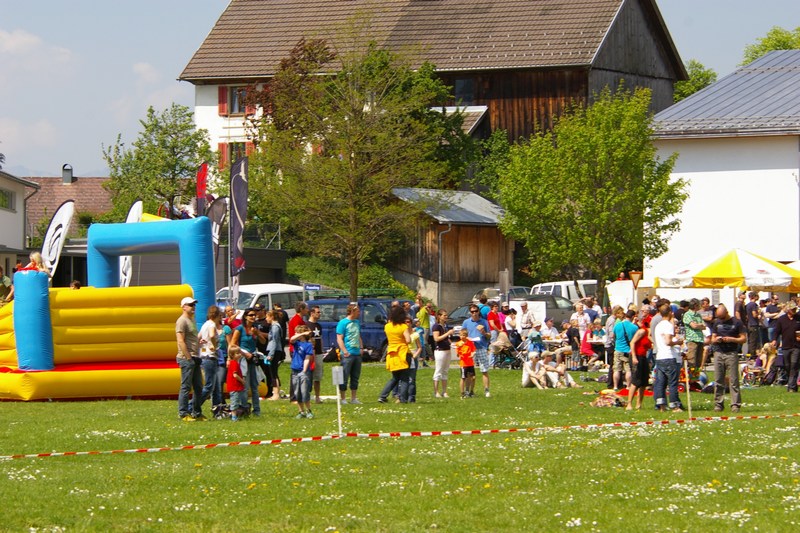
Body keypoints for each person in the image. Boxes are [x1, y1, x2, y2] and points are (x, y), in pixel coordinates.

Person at [710, 304, 746, 412]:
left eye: (722, 317)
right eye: (719, 317)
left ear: (726, 313)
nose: (721, 319)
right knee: (718, 380)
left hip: (731, 353)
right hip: (718, 352)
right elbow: (712, 338)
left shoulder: (737, 322)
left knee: (734, 380)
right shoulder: (717, 322)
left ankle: (735, 405)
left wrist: (731, 339)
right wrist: (717, 339)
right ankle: (718, 404)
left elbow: (743, 338)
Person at [230, 308, 265, 417]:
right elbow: (232, 344)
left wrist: (257, 333)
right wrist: (244, 353)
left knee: (254, 386)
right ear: (245, 316)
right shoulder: (240, 329)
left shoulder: (254, 328)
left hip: (253, 358)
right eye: (251, 315)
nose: (253, 317)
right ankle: (244, 408)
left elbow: (263, 341)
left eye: (254, 315)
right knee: (244, 385)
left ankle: (257, 410)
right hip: (243, 359)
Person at [176, 296, 205, 421]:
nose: (193, 307)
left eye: (194, 305)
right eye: (190, 305)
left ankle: (196, 412)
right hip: (186, 358)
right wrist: (188, 358)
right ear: (183, 307)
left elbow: (191, 338)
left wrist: (199, 341)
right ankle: (183, 413)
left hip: (195, 357)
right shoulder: (181, 321)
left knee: (198, 387)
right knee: (186, 387)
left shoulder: (191, 320)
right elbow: (180, 341)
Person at [652, 306, 683, 412]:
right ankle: (674, 405)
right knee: (672, 383)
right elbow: (668, 341)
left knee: (661, 382)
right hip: (669, 356)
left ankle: (661, 405)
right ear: (670, 312)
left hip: (660, 357)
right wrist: (678, 342)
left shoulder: (658, 325)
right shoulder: (668, 325)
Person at [378, 305, 412, 403]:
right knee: (404, 378)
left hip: (392, 353)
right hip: (403, 353)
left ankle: (382, 396)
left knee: (395, 377)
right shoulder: (403, 327)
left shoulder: (387, 326)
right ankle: (403, 399)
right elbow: (408, 340)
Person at [462, 304, 492, 397]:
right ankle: (468, 391)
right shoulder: (466, 322)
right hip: (470, 349)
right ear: (470, 312)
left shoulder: (484, 322)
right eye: (472, 312)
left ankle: (486, 390)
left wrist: (484, 332)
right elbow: (462, 335)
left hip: (481, 347)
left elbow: (489, 336)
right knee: (469, 372)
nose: (474, 313)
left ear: (478, 312)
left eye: (476, 311)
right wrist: (468, 339)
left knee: (484, 370)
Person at [336, 303, 363, 404]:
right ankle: (343, 398)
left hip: (357, 353)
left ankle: (353, 398)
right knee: (344, 376)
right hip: (347, 353)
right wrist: (345, 351)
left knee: (355, 377)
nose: (359, 313)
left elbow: (358, 335)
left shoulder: (357, 322)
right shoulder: (343, 323)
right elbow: (339, 338)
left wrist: (361, 347)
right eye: (358, 311)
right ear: (352, 311)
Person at [771, 301, 800, 393]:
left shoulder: (798, 318)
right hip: (786, 346)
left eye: (795, 309)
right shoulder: (782, 319)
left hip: (797, 346)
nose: (794, 310)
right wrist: (774, 340)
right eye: (792, 309)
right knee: (787, 366)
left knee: (794, 365)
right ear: (788, 309)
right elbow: (776, 331)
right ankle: (793, 385)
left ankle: (791, 387)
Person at [198, 305, 222, 410]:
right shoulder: (212, 324)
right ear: (218, 315)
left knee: (216, 387)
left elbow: (198, 337)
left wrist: (201, 343)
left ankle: (217, 409)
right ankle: (192, 406)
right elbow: (212, 336)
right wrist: (214, 346)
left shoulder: (205, 324)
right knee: (209, 386)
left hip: (204, 356)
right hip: (210, 357)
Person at [289, 325, 315, 418]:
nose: (295, 334)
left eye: (297, 332)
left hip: (303, 371)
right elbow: (292, 339)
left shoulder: (308, 345)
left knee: (304, 392)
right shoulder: (296, 343)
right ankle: (301, 411)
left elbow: (307, 358)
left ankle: (309, 411)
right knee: (297, 392)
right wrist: (302, 333)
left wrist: (304, 370)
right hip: (294, 371)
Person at [627, 314, 651, 410]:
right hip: (637, 356)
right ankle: (629, 404)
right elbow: (632, 342)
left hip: (643, 356)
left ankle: (639, 404)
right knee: (636, 380)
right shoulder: (641, 331)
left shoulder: (648, 333)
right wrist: (634, 357)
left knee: (644, 381)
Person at [612, 309, 639, 390]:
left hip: (618, 349)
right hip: (628, 351)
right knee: (628, 370)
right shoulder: (634, 327)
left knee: (617, 369)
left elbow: (613, 336)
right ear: (633, 316)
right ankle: (628, 386)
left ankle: (615, 386)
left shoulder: (617, 325)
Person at [431, 309, 454, 398]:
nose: (446, 317)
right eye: (444, 315)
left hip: (447, 350)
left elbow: (446, 338)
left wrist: (452, 344)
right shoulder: (436, 326)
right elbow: (436, 338)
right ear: (439, 316)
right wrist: (448, 333)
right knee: (438, 370)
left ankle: (444, 391)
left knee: (445, 371)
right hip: (440, 351)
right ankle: (436, 391)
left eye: (446, 315)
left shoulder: (445, 326)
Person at [306, 305, 325, 403]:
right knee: (308, 375)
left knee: (317, 377)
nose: (319, 314)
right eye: (318, 312)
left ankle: (317, 397)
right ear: (312, 313)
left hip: (318, 354)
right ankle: (306, 396)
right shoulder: (306, 325)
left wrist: (322, 351)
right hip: (309, 354)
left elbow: (320, 339)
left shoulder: (319, 326)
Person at [265, 310, 285, 401]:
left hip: (274, 351)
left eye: (267, 317)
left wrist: (271, 354)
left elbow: (274, 341)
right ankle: (275, 392)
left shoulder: (275, 327)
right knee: (272, 372)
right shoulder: (273, 326)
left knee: (273, 372)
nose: (266, 319)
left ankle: (276, 394)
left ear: (272, 317)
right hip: (273, 350)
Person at [683, 298, 706, 371]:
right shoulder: (687, 314)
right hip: (692, 340)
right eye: (699, 304)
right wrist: (699, 325)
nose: (700, 306)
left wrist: (698, 325)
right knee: (692, 360)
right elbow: (694, 326)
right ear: (695, 305)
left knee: (698, 361)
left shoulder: (698, 315)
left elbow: (704, 326)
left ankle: (696, 376)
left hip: (700, 339)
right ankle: (692, 376)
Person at [226, 346, 247, 421]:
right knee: (234, 401)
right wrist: (242, 380)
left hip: (236, 386)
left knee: (237, 400)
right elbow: (235, 375)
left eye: (240, 353)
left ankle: (237, 414)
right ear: (232, 355)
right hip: (234, 386)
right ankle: (233, 416)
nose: (239, 354)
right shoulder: (234, 363)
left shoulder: (234, 363)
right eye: (237, 353)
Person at [455, 329, 476, 398]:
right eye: (460, 335)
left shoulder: (470, 343)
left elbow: (473, 350)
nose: (462, 336)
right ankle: (462, 393)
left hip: (470, 363)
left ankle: (471, 391)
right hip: (463, 364)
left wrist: (472, 354)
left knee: (473, 378)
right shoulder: (458, 343)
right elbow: (457, 355)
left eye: (463, 335)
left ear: (466, 336)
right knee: (463, 378)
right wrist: (459, 347)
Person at [745, 291, 761, 356]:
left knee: (750, 340)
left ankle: (749, 354)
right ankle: (753, 355)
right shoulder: (753, 304)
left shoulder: (747, 305)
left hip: (749, 324)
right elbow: (754, 314)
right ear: (754, 297)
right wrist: (759, 314)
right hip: (754, 324)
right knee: (754, 341)